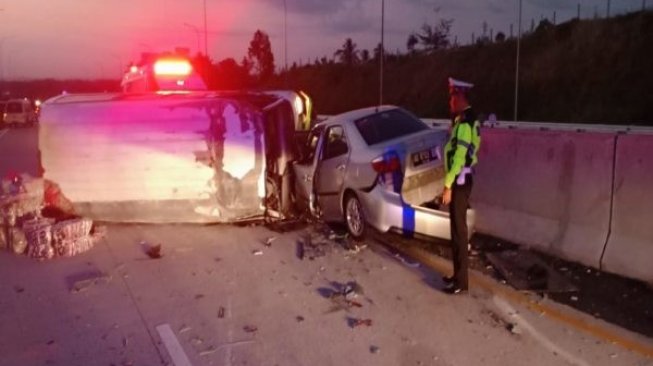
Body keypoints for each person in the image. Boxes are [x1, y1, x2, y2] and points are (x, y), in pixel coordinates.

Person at [440, 77, 481, 295]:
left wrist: (448, 185)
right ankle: (457, 277)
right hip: (460, 179)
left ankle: (461, 283)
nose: (449, 102)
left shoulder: (465, 123)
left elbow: (459, 157)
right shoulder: (462, 120)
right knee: (455, 231)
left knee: (459, 232)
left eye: (452, 97)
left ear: (460, 97)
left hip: (460, 181)